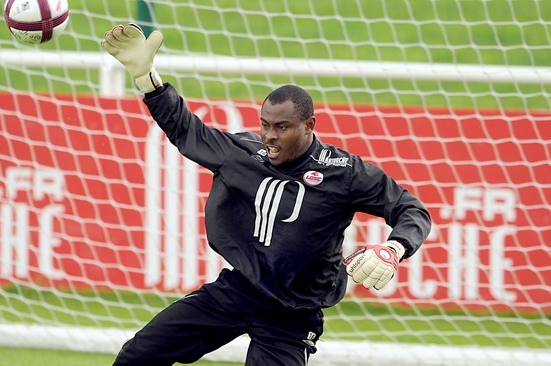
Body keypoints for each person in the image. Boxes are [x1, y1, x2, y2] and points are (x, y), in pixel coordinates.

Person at [102, 24, 432, 366]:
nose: (270, 136)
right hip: (238, 291)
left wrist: (394, 248)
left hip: (292, 314)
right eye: (265, 125)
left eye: (282, 127)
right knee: (137, 356)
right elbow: (185, 128)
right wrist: (147, 79)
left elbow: (411, 210)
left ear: (309, 125)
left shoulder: (344, 172)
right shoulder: (243, 152)